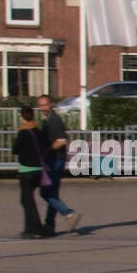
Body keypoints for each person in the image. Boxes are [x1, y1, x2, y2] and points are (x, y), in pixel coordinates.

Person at [35, 94, 80, 234]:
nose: (43, 108)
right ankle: (49, 225)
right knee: (53, 192)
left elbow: (62, 140)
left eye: (45, 104)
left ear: (51, 104)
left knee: (45, 192)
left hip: (56, 160)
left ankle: (69, 213)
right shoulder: (46, 120)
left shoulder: (54, 120)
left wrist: (47, 150)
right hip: (53, 159)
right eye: (40, 105)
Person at [11, 105, 47, 239]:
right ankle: (34, 227)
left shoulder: (23, 132)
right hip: (39, 169)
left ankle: (34, 228)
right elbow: (45, 145)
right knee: (28, 199)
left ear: (22, 117)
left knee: (27, 200)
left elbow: (15, 149)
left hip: (26, 170)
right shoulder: (38, 131)